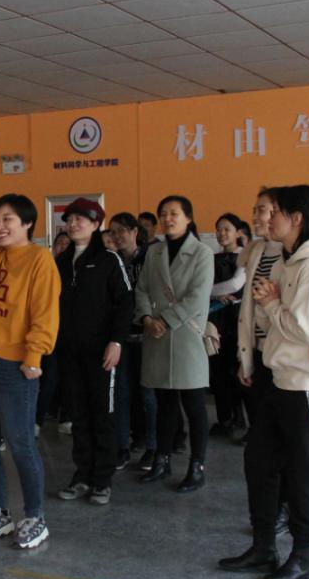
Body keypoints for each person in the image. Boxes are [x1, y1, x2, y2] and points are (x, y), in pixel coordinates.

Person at [218, 185, 309, 579]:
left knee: (304, 469)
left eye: (274, 211)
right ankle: (264, 546)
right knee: (260, 460)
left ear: (296, 217)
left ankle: (303, 555)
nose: (266, 218)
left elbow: (305, 328)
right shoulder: (287, 257)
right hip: (281, 375)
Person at [0, 131, 60, 549]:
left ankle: (35, 516)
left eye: (9, 221)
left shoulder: (40, 260)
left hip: (15, 365)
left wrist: (34, 356)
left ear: (28, 225)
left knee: (20, 444)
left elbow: (44, 312)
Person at [53, 198, 132, 505]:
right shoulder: (61, 261)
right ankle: (82, 475)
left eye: (80, 220)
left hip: (102, 353)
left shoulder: (109, 260)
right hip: (69, 353)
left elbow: (125, 303)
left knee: (103, 415)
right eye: (69, 219)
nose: (73, 224)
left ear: (96, 224)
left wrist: (117, 342)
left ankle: (102, 479)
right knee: (79, 415)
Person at [135, 196, 214, 491]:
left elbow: (198, 296)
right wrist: (146, 318)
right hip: (155, 335)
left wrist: (165, 321)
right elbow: (142, 289)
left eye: (174, 214)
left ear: (188, 218)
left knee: (194, 405)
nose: (167, 219)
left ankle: (197, 465)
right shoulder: (154, 252)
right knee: (164, 404)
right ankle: (162, 459)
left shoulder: (202, 253)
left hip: (186, 336)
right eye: (163, 214)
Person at [108, 212, 158, 470]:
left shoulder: (150, 258)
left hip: (148, 335)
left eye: (122, 231)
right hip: (121, 337)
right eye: (113, 232)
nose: (117, 236)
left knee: (148, 394)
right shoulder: (111, 260)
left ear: (135, 232)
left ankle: (152, 447)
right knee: (122, 393)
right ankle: (122, 447)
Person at [208, 213, 247, 438]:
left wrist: (210, 292)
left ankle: (238, 418)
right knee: (218, 373)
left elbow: (235, 284)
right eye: (219, 229)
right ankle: (224, 419)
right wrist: (215, 295)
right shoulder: (211, 258)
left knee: (234, 371)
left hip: (235, 320)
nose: (222, 233)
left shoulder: (244, 255)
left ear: (237, 232)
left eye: (227, 229)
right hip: (214, 321)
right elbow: (201, 284)